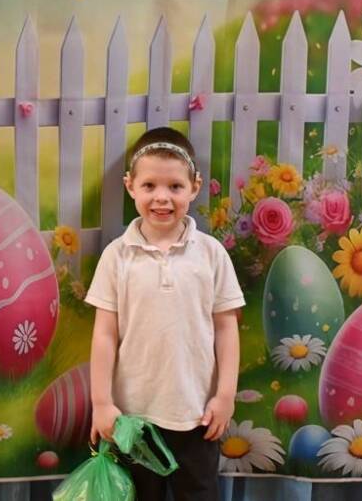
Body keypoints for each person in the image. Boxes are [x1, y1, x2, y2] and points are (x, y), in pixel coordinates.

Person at [85, 126, 244, 500]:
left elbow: (227, 329)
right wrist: (102, 403)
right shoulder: (117, 256)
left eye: (174, 186)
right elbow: (104, 334)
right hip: (132, 420)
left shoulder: (210, 254)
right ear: (130, 186)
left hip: (197, 415)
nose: (162, 197)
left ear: (194, 186)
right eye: (149, 185)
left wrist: (225, 396)